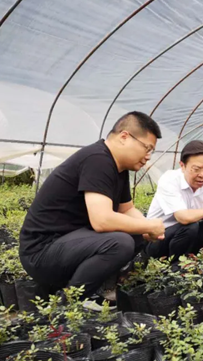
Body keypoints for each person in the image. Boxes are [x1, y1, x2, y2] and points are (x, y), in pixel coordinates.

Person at [19, 111, 166, 298]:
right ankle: (68, 304)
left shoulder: (118, 168)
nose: (148, 156)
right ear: (124, 137)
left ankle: (101, 289)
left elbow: (127, 209)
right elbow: (102, 221)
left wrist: (148, 228)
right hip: (42, 251)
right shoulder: (98, 160)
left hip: (69, 244)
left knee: (136, 233)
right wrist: (148, 226)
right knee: (120, 243)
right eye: (147, 148)